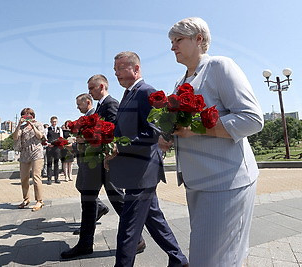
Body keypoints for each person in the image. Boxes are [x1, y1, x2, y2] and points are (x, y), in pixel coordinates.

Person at [161, 17, 264, 267]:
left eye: (178, 40)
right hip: (198, 182)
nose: (172, 46)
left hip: (226, 181)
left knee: (209, 260)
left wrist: (196, 130)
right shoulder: (182, 81)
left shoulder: (220, 66)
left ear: (199, 39)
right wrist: (168, 136)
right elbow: (184, 127)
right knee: (219, 256)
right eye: (171, 41)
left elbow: (252, 119)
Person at [105, 52, 188, 267]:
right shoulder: (127, 94)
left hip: (142, 172)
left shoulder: (146, 92)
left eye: (120, 68)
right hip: (136, 170)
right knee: (155, 220)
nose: (116, 74)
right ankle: (179, 260)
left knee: (128, 229)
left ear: (136, 69)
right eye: (115, 70)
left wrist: (119, 146)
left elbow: (154, 131)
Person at [61, 92, 145, 259]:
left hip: (105, 162)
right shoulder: (100, 106)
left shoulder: (110, 103)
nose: (90, 92)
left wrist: (86, 139)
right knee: (89, 201)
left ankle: (136, 239)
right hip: (95, 163)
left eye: (91, 88)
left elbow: (113, 132)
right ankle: (85, 243)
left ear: (101, 86)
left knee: (118, 201)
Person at [13, 108, 45, 211]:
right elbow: (15, 137)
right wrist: (19, 124)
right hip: (24, 153)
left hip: (36, 152)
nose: (27, 117)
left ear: (33, 115)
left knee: (36, 177)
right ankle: (26, 199)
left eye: (29, 115)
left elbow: (40, 136)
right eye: (24, 115)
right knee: (24, 178)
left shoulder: (38, 124)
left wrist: (32, 125)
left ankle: (39, 201)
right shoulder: (22, 127)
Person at [46, 116, 63, 184]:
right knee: (49, 163)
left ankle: (56, 178)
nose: (54, 123)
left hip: (57, 148)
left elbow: (61, 138)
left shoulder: (59, 129)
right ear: (50, 122)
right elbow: (44, 138)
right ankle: (49, 178)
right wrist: (48, 144)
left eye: (55, 121)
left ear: (57, 122)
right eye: (53, 122)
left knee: (56, 163)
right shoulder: (47, 129)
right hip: (50, 147)